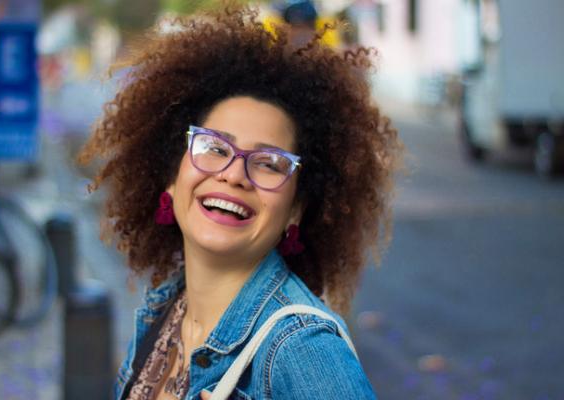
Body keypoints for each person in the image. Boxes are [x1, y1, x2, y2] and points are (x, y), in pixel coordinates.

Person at [79, 4, 400, 399]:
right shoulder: (163, 313)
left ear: (295, 210)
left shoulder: (303, 350)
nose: (233, 174)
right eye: (214, 147)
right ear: (170, 179)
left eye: (268, 163)